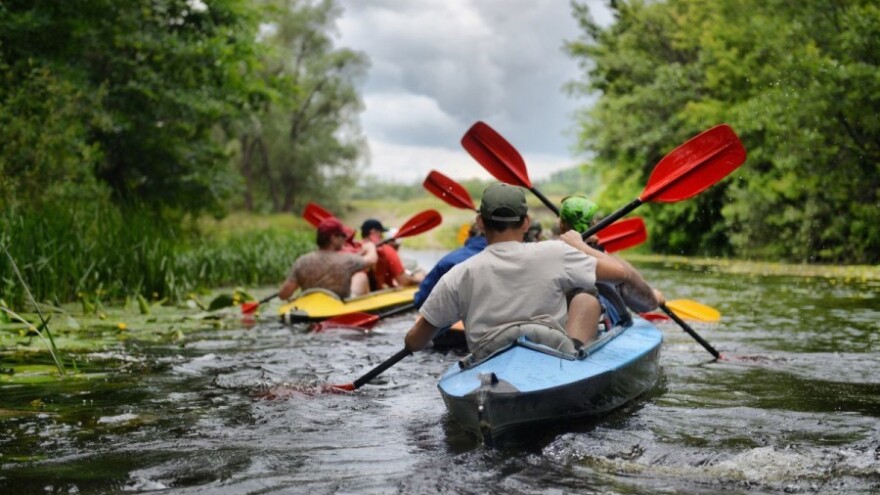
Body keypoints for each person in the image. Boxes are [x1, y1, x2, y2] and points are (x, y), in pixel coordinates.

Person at [403, 183, 631, 360]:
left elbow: (416, 342)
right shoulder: (556, 252)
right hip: (552, 351)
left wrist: (412, 338)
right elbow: (620, 273)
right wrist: (580, 245)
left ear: (480, 223)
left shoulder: (459, 273)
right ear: (526, 223)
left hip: (489, 357)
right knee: (586, 297)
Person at [559, 195, 664, 327]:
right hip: (600, 325)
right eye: (593, 221)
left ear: (561, 225)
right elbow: (647, 305)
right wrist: (655, 298)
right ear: (594, 225)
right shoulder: (612, 266)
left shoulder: (545, 253)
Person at [278, 218, 378, 300]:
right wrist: (370, 246)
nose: (344, 239)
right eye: (343, 236)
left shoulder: (301, 261)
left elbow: (284, 295)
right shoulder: (348, 260)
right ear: (333, 238)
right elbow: (373, 259)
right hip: (338, 308)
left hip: (309, 310)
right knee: (361, 276)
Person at [414, 222, 486, 309]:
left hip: (456, 318)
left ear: (469, 235)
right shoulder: (504, 259)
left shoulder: (448, 261)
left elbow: (422, 299)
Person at [360, 218, 425, 290]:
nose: (382, 236)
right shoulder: (386, 249)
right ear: (373, 232)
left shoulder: (355, 248)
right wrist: (420, 280)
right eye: (381, 233)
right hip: (378, 295)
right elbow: (403, 281)